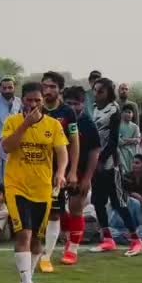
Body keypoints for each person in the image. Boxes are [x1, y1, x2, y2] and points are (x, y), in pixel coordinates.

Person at [1, 82, 68, 283]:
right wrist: (25, 126)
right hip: (17, 186)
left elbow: (62, 152)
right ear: (22, 101)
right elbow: (7, 147)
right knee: (24, 233)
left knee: (37, 239)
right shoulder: (12, 122)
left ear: (43, 101)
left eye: (37, 100)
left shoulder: (53, 125)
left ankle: (29, 279)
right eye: (29, 100)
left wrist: (61, 172)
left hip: (42, 188)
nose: (33, 104)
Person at [90, 79, 142, 257]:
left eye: (100, 91)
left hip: (110, 164)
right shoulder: (95, 109)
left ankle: (136, 240)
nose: (96, 94)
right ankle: (108, 239)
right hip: (96, 162)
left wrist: (101, 159)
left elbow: (113, 141)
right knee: (98, 201)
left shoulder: (114, 110)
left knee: (119, 202)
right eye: (95, 91)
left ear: (109, 93)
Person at [36, 71, 80, 272]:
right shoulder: (34, 107)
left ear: (60, 89)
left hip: (57, 171)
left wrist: (72, 170)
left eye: (53, 86)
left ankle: (46, 257)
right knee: (36, 213)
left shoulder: (67, 112)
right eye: (45, 86)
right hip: (35, 169)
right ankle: (33, 251)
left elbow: (74, 142)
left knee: (54, 213)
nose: (48, 90)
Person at [59, 86, 102, 265]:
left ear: (83, 104)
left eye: (76, 104)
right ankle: (66, 237)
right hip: (58, 170)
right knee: (57, 210)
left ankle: (73, 249)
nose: (72, 107)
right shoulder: (58, 118)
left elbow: (95, 151)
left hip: (81, 171)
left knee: (76, 206)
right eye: (68, 103)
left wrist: (87, 178)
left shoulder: (87, 123)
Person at [117, 105, 140, 176]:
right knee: (123, 173)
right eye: (127, 112)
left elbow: (137, 140)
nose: (129, 114)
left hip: (132, 153)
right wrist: (132, 140)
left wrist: (125, 139)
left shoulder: (135, 127)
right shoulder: (117, 126)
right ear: (122, 113)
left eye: (130, 112)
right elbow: (119, 142)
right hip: (121, 153)